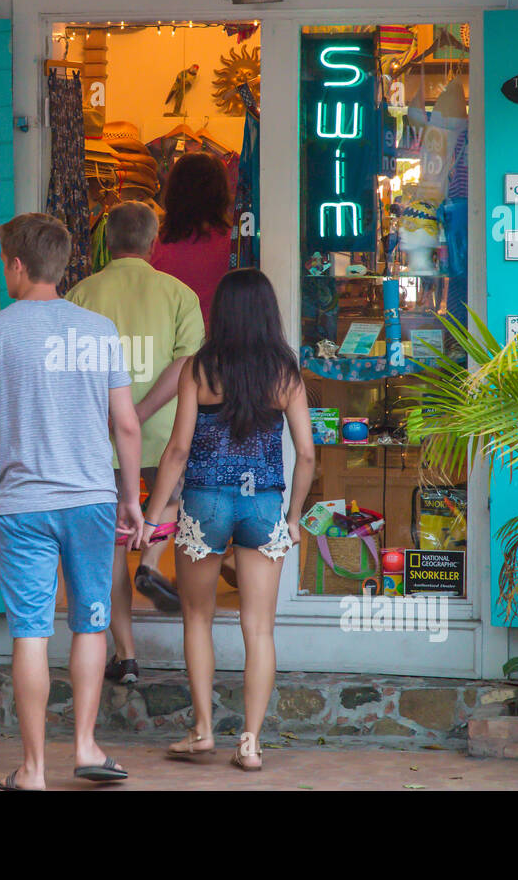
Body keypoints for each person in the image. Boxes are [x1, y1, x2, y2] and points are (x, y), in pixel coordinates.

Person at [0, 213, 146, 791]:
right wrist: (131, 498)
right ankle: (85, 746)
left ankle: (32, 770)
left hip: (23, 504)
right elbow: (127, 427)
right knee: (91, 623)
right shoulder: (100, 330)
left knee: (30, 630)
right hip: (91, 499)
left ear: (15, 265)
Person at [142, 269, 316, 772]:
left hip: (205, 502)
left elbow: (177, 450)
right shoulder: (285, 372)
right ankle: (250, 742)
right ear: (267, 312)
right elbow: (305, 455)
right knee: (259, 628)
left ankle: (201, 732)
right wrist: (294, 517)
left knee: (197, 618)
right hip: (263, 502)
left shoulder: (199, 368)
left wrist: (154, 516)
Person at [66, 201, 205, 684]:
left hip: (99, 438)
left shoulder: (81, 295)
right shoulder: (178, 294)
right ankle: (150, 558)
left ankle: (124, 656)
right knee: (175, 500)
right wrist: (142, 412)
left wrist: (115, 415)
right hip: (165, 434)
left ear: (107, 241)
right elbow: (188, 363)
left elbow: (72, 370)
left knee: (106, 545)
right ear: (153, 243)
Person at [152, 151, 233, 329]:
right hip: (220, 343)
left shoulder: (154, 245)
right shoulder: (234, 245)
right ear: (220, 193)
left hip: (169, 344)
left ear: (174, 192)